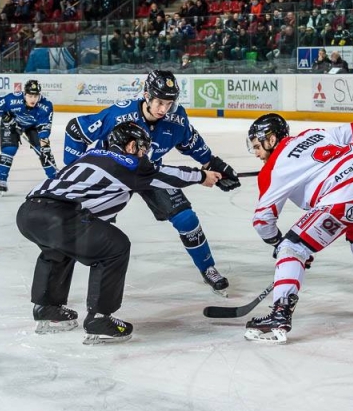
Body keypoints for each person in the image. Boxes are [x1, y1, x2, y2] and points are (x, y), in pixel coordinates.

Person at [17, 122, 222, 344]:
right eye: (142, 149)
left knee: (59, 248)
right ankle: (100, 319)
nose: (144, 154)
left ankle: (47, 308)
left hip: (29, 212)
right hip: (60, 214)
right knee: (115, 246)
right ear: (131, 145)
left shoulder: (94, 153)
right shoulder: (127, 162)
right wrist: (201, 176)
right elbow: (161, 175)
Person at [243, 114, 353, 344]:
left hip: (345, 192)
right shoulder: (314, 134)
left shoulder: (274, 168)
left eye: (258, 146)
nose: (257, 153)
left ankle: (280, 315)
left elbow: (263, 220)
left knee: (292, 247)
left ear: (270, 139)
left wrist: (277, 243)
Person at [64, 70, 240, 295]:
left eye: (169, 103)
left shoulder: (176, 119)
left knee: (186, 218)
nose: (163, 109)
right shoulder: (119, 114)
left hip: (148, 172)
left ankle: (208, 268)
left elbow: (192, 144)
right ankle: (59, 290)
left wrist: (215, 165)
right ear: (146, 95)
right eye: (159, 102)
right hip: (112, 175)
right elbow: (75, 130)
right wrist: (75, 169)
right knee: (85, 225)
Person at [0, 80, 56, 194]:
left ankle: (55, 180)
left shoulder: (46, 106)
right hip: (12, 124)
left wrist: (45, 146)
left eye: (35, 96)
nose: (33, 99)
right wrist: (6, 117)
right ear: (24, 94)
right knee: (9, 150)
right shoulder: (12, 100)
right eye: (30, 96)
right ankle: (2, 180)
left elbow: (44, 128)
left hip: (33, 127)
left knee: (44, 151)